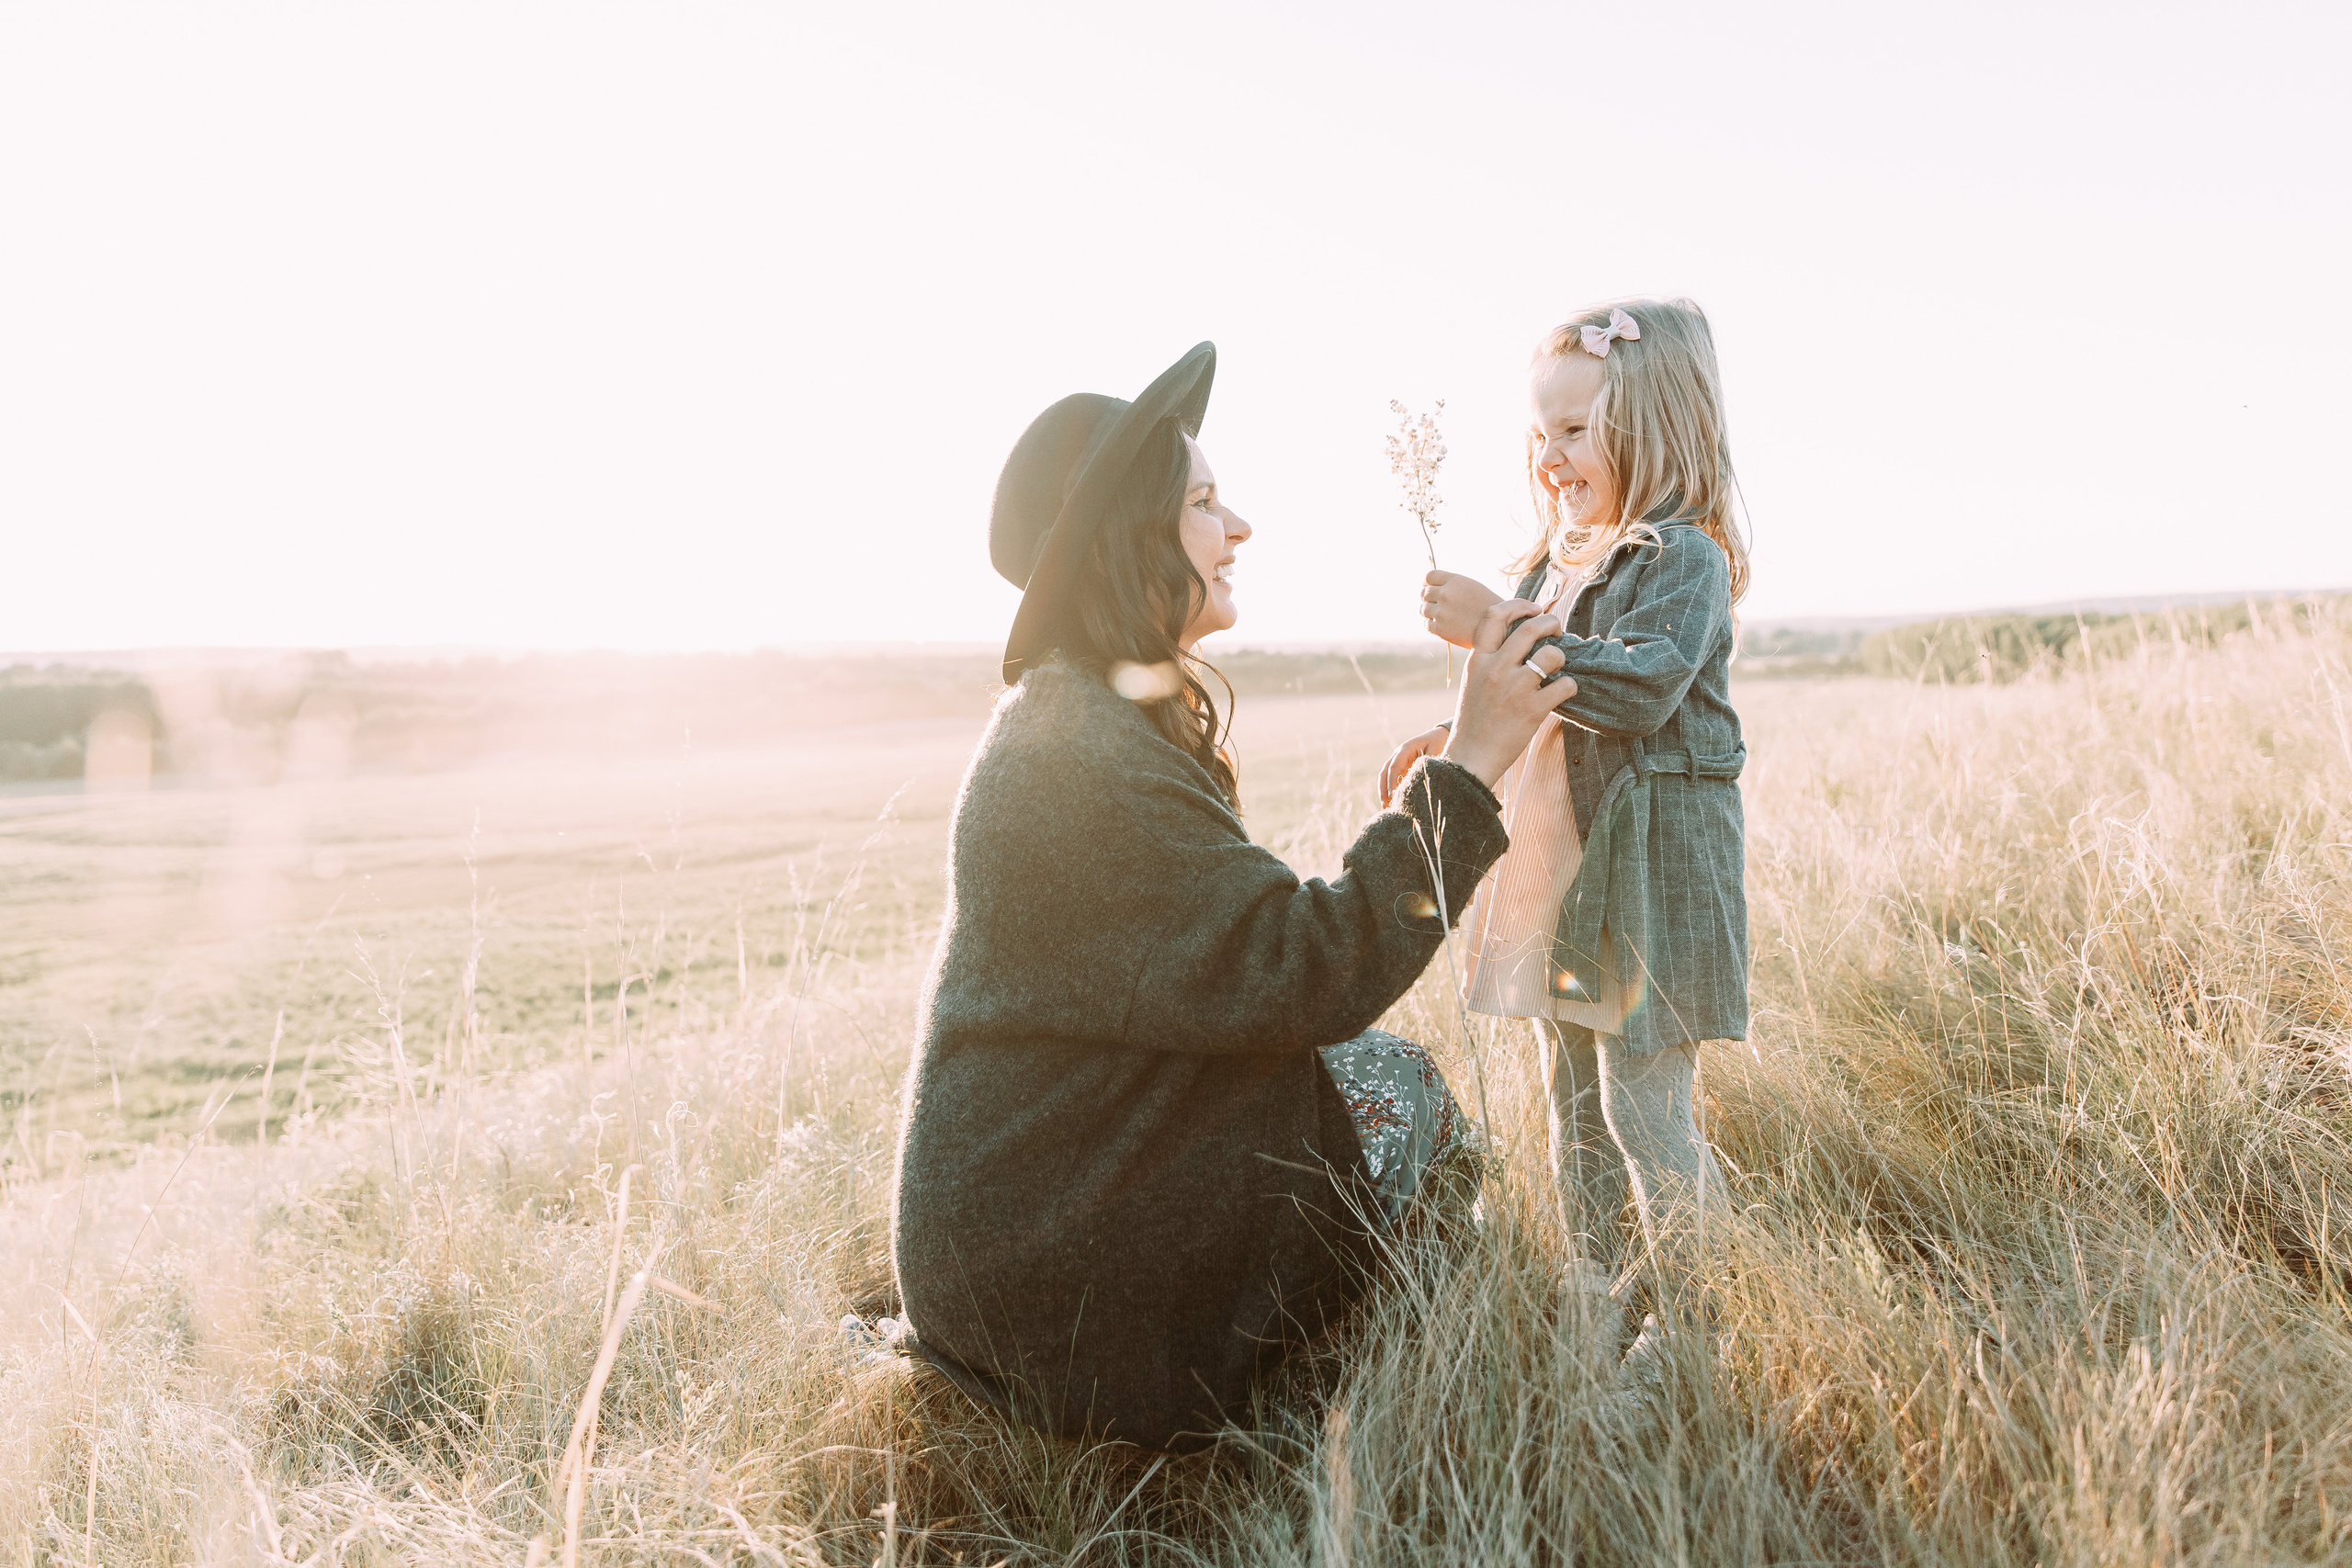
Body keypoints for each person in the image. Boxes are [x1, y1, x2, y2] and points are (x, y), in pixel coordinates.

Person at [890, 343, 1571, 1452]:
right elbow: (1307, 971)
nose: (1238, 526)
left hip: (1034, 1232)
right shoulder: (1079, 754)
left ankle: (1380, 1352)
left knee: (1366, 1090)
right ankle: (1373, 1411)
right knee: (1405, 1097)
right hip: (1058, 1286)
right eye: (1204, 503)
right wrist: (1473, 765)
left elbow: (1235, 960)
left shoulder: (1083, 717)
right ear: (1127, 538)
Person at [1382, 299, 1749, 1373]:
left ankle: (1690, 1321)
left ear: (1661, 429)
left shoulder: (1682, 559)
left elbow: (1636, 688)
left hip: (1643, 877)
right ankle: (1596, 1288)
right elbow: (1527, 695)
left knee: (1643, 1107)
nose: (1550, 456)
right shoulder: (1558, 560)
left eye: (1576, 430)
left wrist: (1495, 625)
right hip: (1560, 869)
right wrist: (1449, 735)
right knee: (1570, 1098)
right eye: (1540, 434)